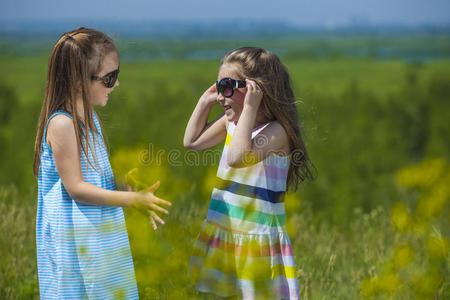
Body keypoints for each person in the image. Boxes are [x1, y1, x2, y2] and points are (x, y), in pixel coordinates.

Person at [33, 27, 171, 299]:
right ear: (78, 80)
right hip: (73, 244)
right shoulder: (62, 124)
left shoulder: (91, 120)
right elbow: (75, 188)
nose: (116, 84)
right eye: (110, 78)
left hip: (97, 237)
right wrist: (130, 201)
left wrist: (125, 187)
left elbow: (91, 180)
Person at [184, 47, 316, 299]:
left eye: (228, 86)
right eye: (218, 86)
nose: (221, 96)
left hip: (255, 242)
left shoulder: (277, 132)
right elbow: (192, 141)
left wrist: (250, 108)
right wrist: (204, 101)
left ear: (257, 89)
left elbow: (237, 157)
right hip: (227, 230)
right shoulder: (233, 123)